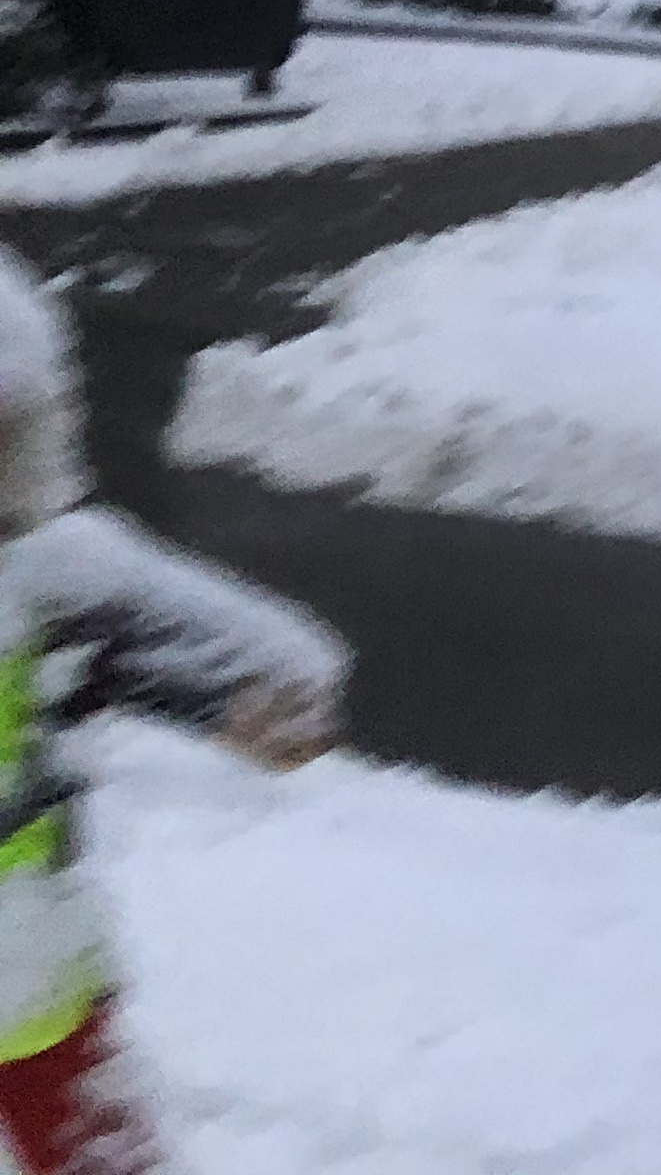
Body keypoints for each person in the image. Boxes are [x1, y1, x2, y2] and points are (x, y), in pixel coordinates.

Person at [0, 251, 345, 1173]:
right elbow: (283, 681)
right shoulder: (49, 575)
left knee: (94, 1150)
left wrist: (234, 697)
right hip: (30, 975)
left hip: (28, 973)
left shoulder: (46, 575)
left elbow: (282, 681)